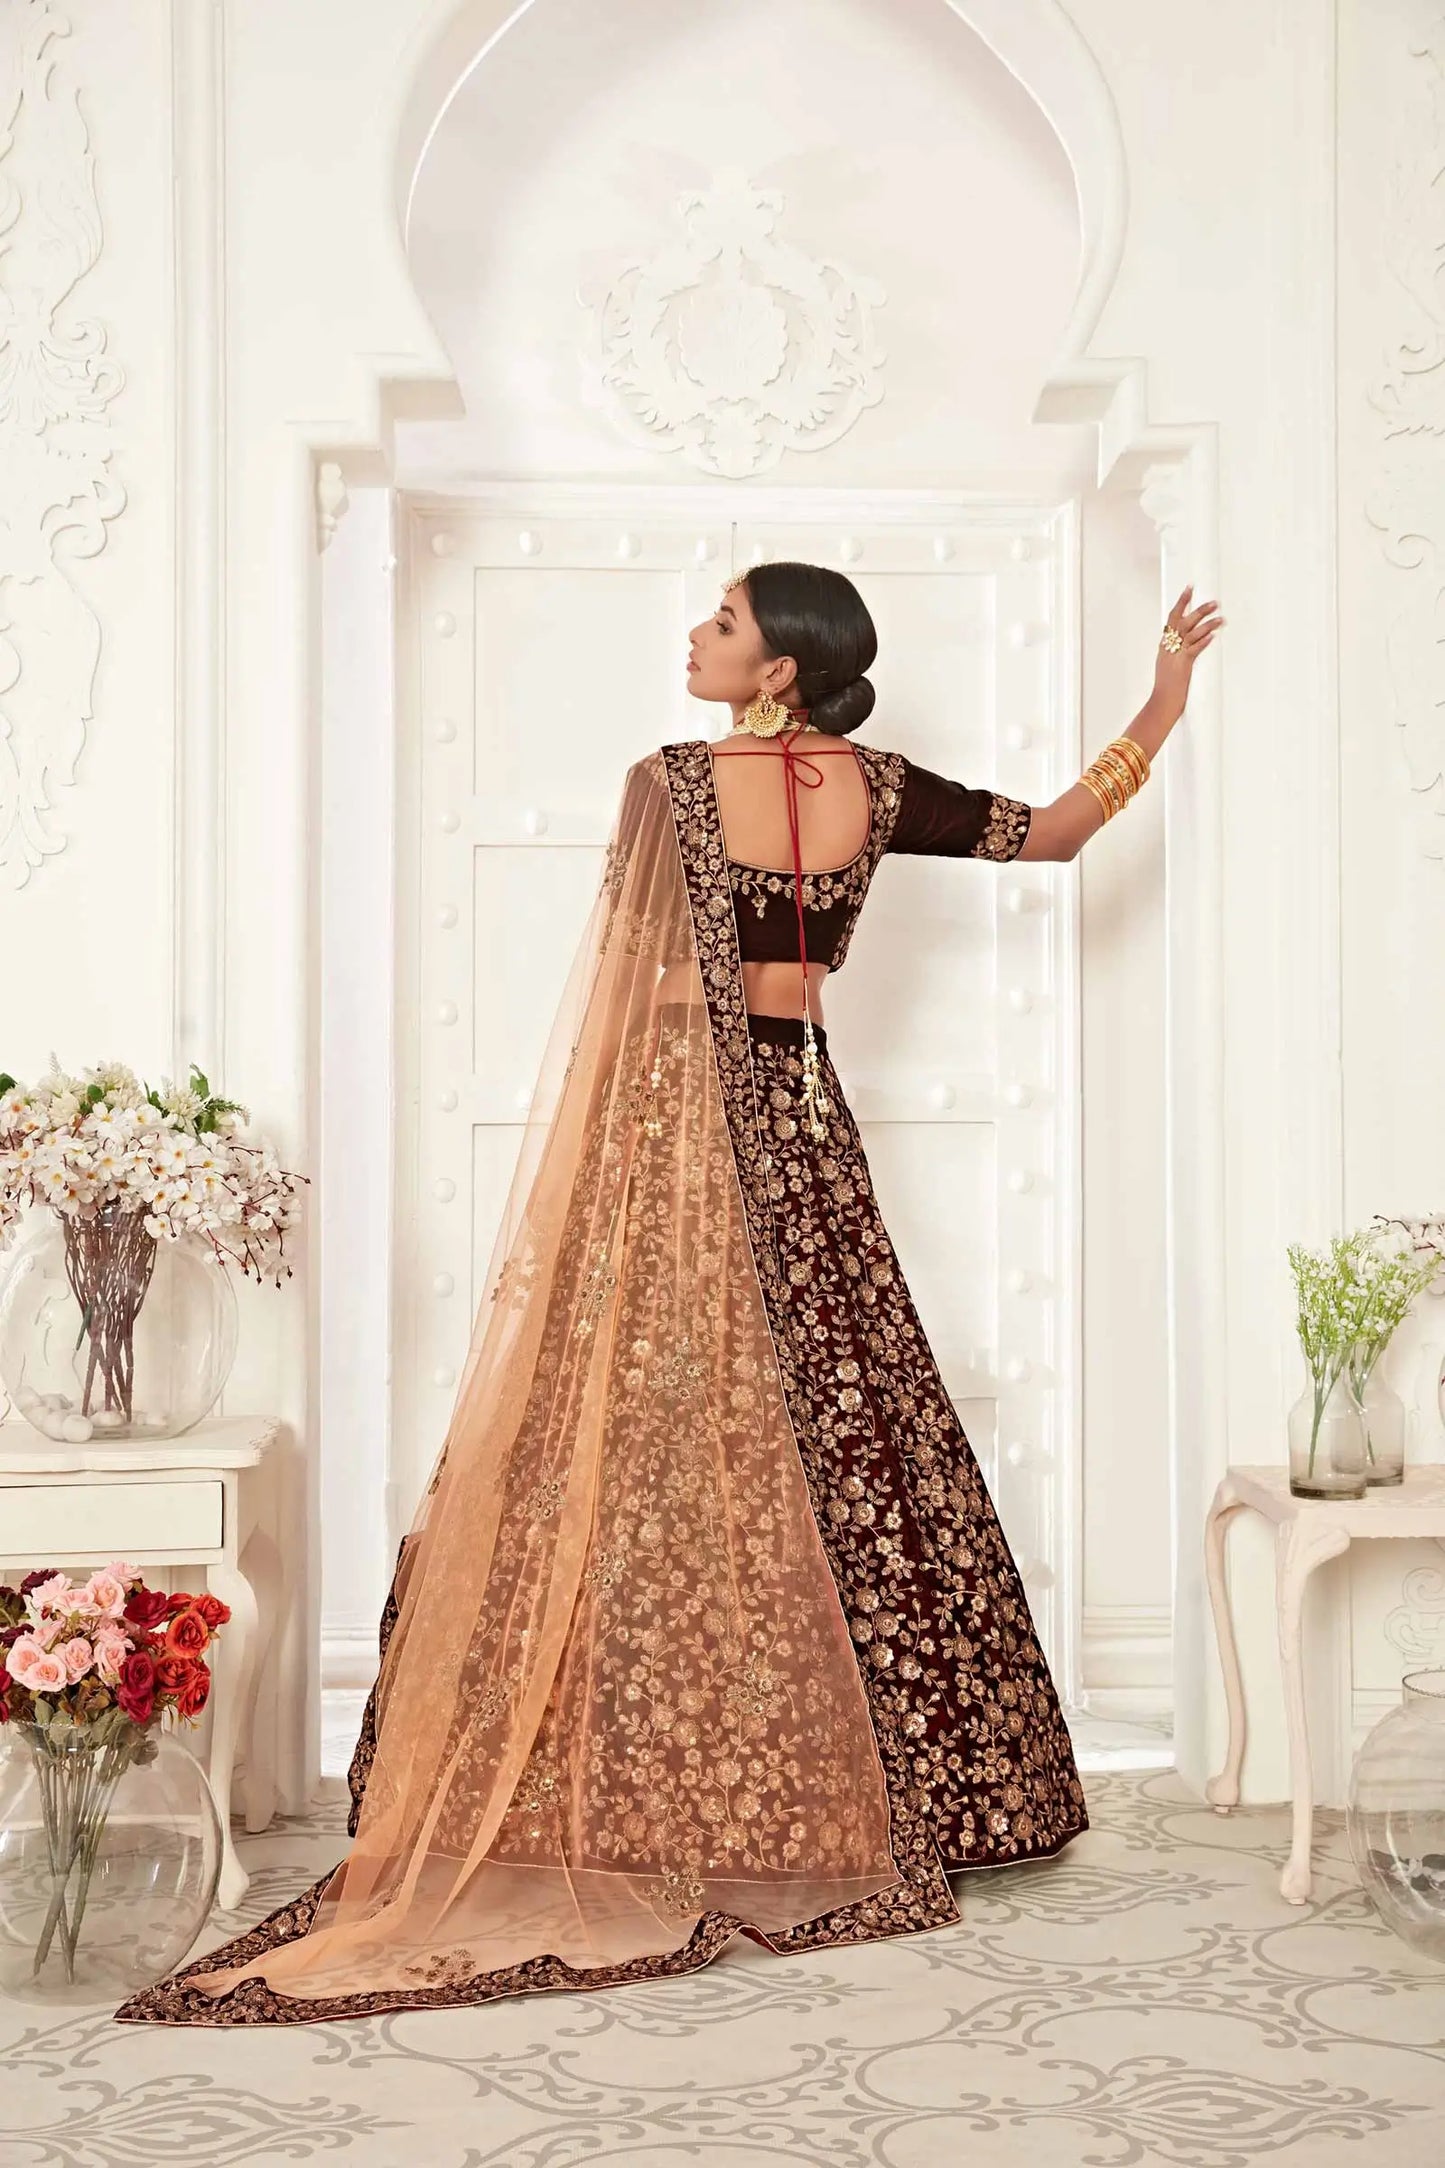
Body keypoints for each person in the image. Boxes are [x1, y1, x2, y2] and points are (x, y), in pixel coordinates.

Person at [115, 560, 1224, 2026]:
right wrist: (1164, 696)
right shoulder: (883, 787)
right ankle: (920, 1780)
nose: (696, 636)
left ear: (779, 668)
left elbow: (634, 977)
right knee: (839, 1415)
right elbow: (1061, 832)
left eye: (723, 622)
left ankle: (636, 1777)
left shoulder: (673, 784)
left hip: (683, 1122)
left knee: (635, 1427)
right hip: (800, 1116)